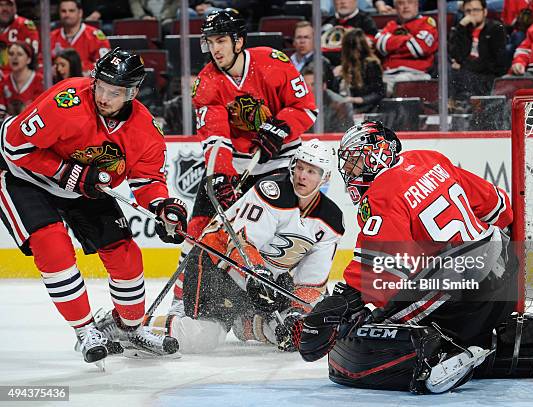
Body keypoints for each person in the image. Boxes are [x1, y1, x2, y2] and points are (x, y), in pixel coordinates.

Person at [292, 121, 533, 394]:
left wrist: (342, 305)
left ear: (377, 155)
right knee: (440, 309)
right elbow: (501, 207)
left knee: (375, 327)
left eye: (356, 163)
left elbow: (381, 277)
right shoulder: (431, 159)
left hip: (462, 291)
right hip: (505, 274)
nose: (352, 172)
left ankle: (441, 356)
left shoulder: (381, 193)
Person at [0, 48, 187, 365]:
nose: (103, 96)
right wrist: (65, 171)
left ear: (132, 92)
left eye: (114, 92)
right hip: (24, 176)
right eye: (100, 86)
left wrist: (162, 207)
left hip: (82, 187)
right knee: (53, 246)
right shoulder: (68, 100)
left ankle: (127, 328)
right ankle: (86, 331)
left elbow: (146, 180)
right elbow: (13, 145)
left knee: (126, 255)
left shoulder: (145, 130)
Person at [99, 140, 344, 354]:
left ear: (325, 177)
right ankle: (123, 324)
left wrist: (294, 312)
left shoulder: (332, 221)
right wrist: (257, 275)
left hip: (264, 283)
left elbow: (311, 283)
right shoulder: (273, 192)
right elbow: (239, 244)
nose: (302, 176)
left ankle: (245, 323)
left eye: (312, 171)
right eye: (300, 167)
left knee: (291, 331)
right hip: (216, 265)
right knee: (203, 338)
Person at [170, 9, 318, 306]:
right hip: (236, 165)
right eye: (210, 42)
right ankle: (181, 301)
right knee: (199, 228)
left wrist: (281, 127)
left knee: (264, 233)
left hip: (279, 164)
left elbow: (306, 108)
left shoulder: (273, 63)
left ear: (239, 41)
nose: (215, 48)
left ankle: (291, 299)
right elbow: (215, 138)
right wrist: (222, 175)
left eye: (221, 40)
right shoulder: (206, 81)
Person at [449, 0, 507, 107]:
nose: (472, 13)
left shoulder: (496, 29)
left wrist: (463, 65)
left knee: (460, 77)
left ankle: (459, 106)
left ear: (484, 12)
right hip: (465, 75)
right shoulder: (464, 30)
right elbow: (455, 54)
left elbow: (493, 62)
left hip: (487, 77)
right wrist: (461, 27)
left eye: (476, 9)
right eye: (468, 11)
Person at [375, 0, 439, 86]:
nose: (406, 6)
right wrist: (408, 40)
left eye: (410, 2)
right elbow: (380, 45)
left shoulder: (426, 23)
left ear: (417, 4)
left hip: (417, 74)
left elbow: (419, 48)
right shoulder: (391, 25)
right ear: (396, 7)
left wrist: (392, 47)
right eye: (401, 3)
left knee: (397, 83)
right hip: (388, 73)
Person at [50, 0, 111, 75]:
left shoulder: (95, 36)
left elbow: (105, 64)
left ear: (80, 13)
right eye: (63, 11)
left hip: (87, 82)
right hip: (58, 83)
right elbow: (41, 63)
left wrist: (81, 69)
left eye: (71, 11)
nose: (67, 14)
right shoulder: (51, 37)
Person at [339, 28, 385, 114]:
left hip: (367, 109)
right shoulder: (343, 67)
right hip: (346, 109)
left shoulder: (371, 65)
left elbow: (379, 93)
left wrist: (358, 100)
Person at [302, 64, 354, 133]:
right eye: (305, 85)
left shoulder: (340, 105)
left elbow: (344, 134)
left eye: (313, 84)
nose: (309, 89)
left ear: (324, 86)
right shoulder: (297, 103)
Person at [290, 21, 337, 92]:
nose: (302, 41)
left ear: (315, 41)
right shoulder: (286, 62)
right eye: (299, 37)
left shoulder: (322, 63)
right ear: (293, 41)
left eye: (306, 37)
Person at [0, 42, 43, 116]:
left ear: (28, 59)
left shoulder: (40, 81)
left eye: (19, 54)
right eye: (11, 54)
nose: (15, 57)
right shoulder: (3, 81)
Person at [0, 0, 39, 77]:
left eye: (8, 4)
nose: (4, 9)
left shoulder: (25, 26)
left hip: (18, 77)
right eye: (0, 5)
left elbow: (33, 58)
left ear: (15, 7)